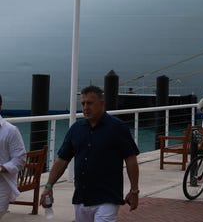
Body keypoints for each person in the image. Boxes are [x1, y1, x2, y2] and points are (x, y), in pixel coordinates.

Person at [40, 85, 140, 222]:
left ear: (102, 103)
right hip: (81, 197)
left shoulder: (118, 128)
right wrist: (48, 186)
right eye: (83, 103)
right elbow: (62, 160)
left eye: (90, 103)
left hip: (108, 197)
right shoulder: (76, 129)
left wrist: (134, 190)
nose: (85, 107)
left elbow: (131, 159)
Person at [0, 94, 26, 219]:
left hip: (2, 184)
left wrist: (1, 168)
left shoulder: (10, 130)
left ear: (0, 107)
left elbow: (20, 158)